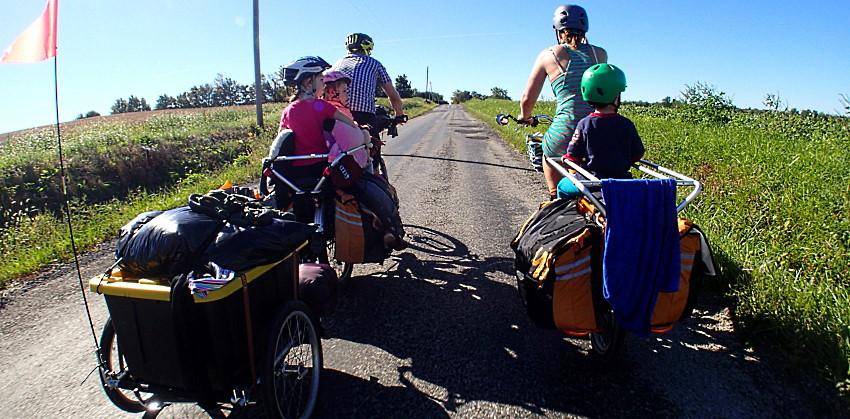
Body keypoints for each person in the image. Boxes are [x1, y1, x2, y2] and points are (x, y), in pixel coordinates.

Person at [518, 4, 608, 200]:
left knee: (548, 154)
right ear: (585, 30)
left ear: (557, 31)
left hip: (564, 130)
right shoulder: (600, 54)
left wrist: (524, 117)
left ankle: (554, 199)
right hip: (598, 131)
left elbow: (527, 98)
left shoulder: (548, 55)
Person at [278, 56, 360, 176]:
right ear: (309, 82)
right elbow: (351, 125)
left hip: (296, 170)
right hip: (322, 166)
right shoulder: (322, 106)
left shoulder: (287, 110)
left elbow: (280, 141)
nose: (324, 85)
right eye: (322, 80)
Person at [565, 63, 644, 179]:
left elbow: (573, 154)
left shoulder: (584, 124)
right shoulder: (627, 124)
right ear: (615, 96)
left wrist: (569, 159)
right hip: (622, 181)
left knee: (562, 187)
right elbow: (638, 154)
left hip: (592, 181)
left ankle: (557, 197)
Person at [332, 33, 406, 129]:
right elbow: (393, 96)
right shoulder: (375, 64)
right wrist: (399, 115)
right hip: (363, 116)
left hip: (335, 114)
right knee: (372, 140)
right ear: (367, 48)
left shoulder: (337, 64)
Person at [321, 70, 372, 170]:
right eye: (344, 91)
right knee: (366, 139)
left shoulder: (323, 108)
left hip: (330, 154)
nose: (347, 95)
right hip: (348, 157)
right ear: (332, 93)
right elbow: (350, 128)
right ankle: (369, 167)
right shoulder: (338, 111)